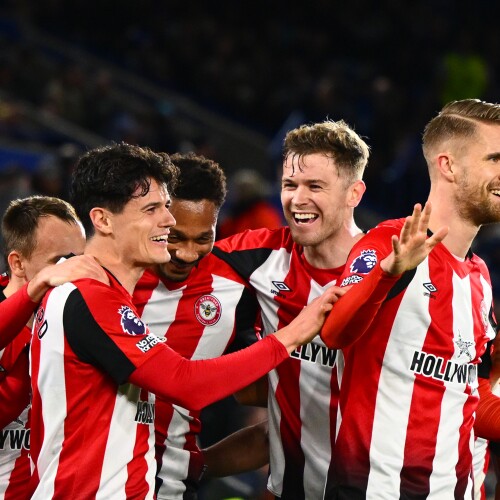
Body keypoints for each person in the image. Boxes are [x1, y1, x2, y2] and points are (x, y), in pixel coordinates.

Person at [28, 142, 341, 499]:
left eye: (165, 208)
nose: (167, 222)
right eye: (153, 210)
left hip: (151, 484)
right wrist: (293, 334)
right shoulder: (88, 295)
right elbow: (183, 382)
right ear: (103, 220)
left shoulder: (89, 288)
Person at [319, 98, 500, 498]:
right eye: (494, 159)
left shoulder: (480, 276)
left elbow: (468, 396)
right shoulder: (389, 243)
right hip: (374, 487)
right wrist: (387, 273)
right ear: (448, 165)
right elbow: (334, 333)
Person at [211, 119, 370, 499]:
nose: (297, 199)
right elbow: (172, 263)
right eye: (289, 184)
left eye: (315, 186)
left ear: (354, 193)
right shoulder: (257, 256)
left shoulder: (395, 274)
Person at [132, 152, 268, 498]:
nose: (187, 253)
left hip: (169, 486)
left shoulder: (233, 288)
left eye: (202, 238)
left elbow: (251, 390)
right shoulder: (100, 277)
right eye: (174, 236)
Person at [0, 195, 106, 499]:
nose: (76, 270)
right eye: (61, 260)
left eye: (81, 258)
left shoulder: (80, 318)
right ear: (18, 263)